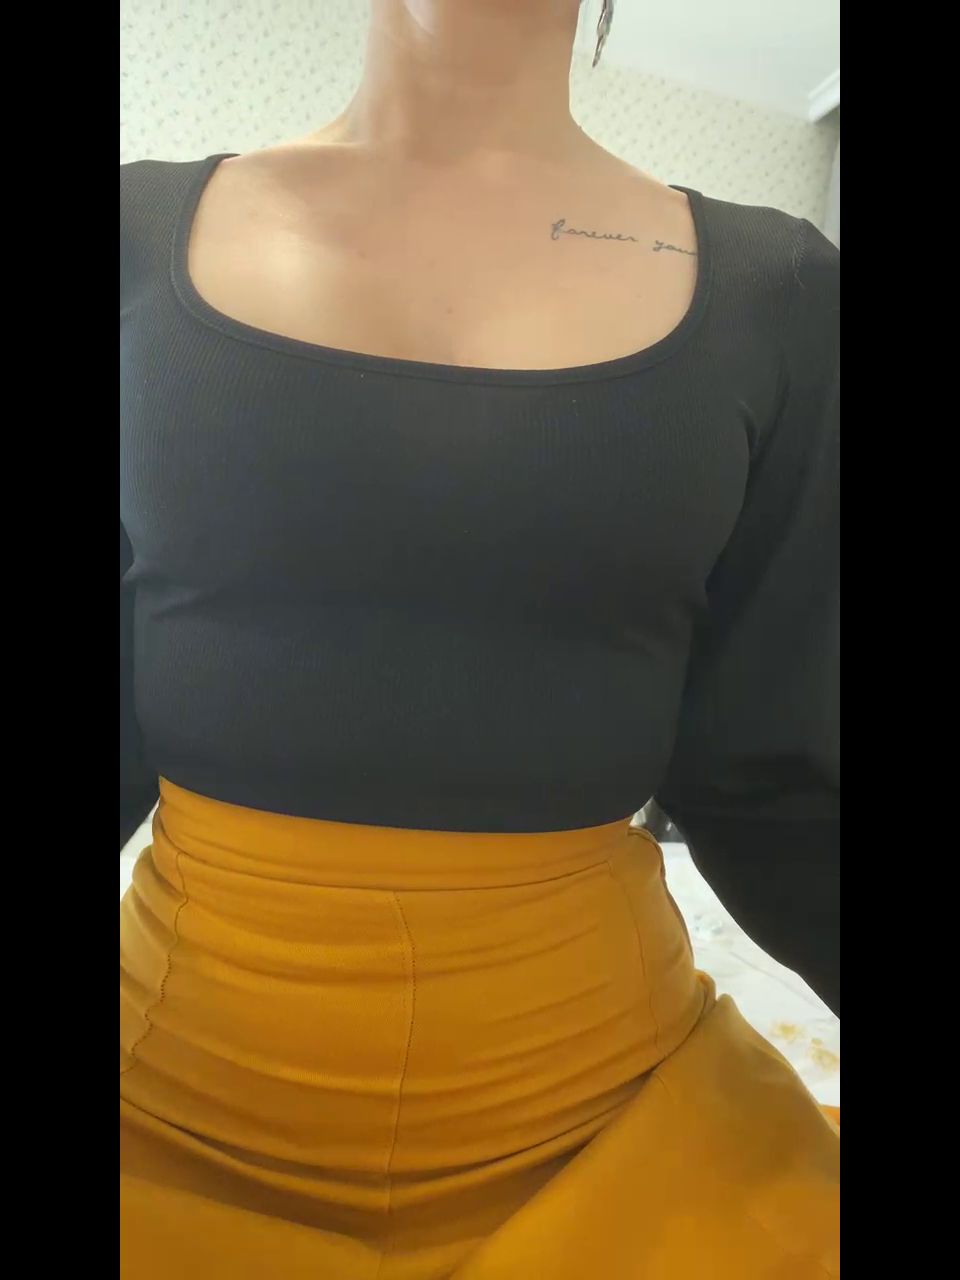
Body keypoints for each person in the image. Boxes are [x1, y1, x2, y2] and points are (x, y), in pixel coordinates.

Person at [120, 1, 840, 1276]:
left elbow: (771, 776)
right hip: (168, 1121)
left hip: (623, 1137)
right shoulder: (130, 241)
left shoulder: (780, 295)